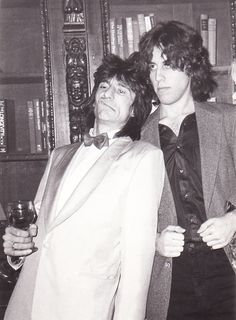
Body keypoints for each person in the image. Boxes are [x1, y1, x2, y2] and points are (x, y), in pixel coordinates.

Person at [2, 54, 165, 320]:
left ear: (135, 109)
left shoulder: (144, 158)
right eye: (103, 86)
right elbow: (39, 230)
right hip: (28, 304)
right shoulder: (59, 154)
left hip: (83, 308)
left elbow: (137, 265)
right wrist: (18, 249)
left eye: (121, 90)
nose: (108, 94)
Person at [139, 20, 236, 320]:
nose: (159, 76)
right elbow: (124, 217)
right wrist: (154, 241)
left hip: (227, 270)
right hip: (171, 280)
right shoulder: (139, 136)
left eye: (168, 64)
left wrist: (234, 221)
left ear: (191, 66)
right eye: (153, 67)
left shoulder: (227, 120)